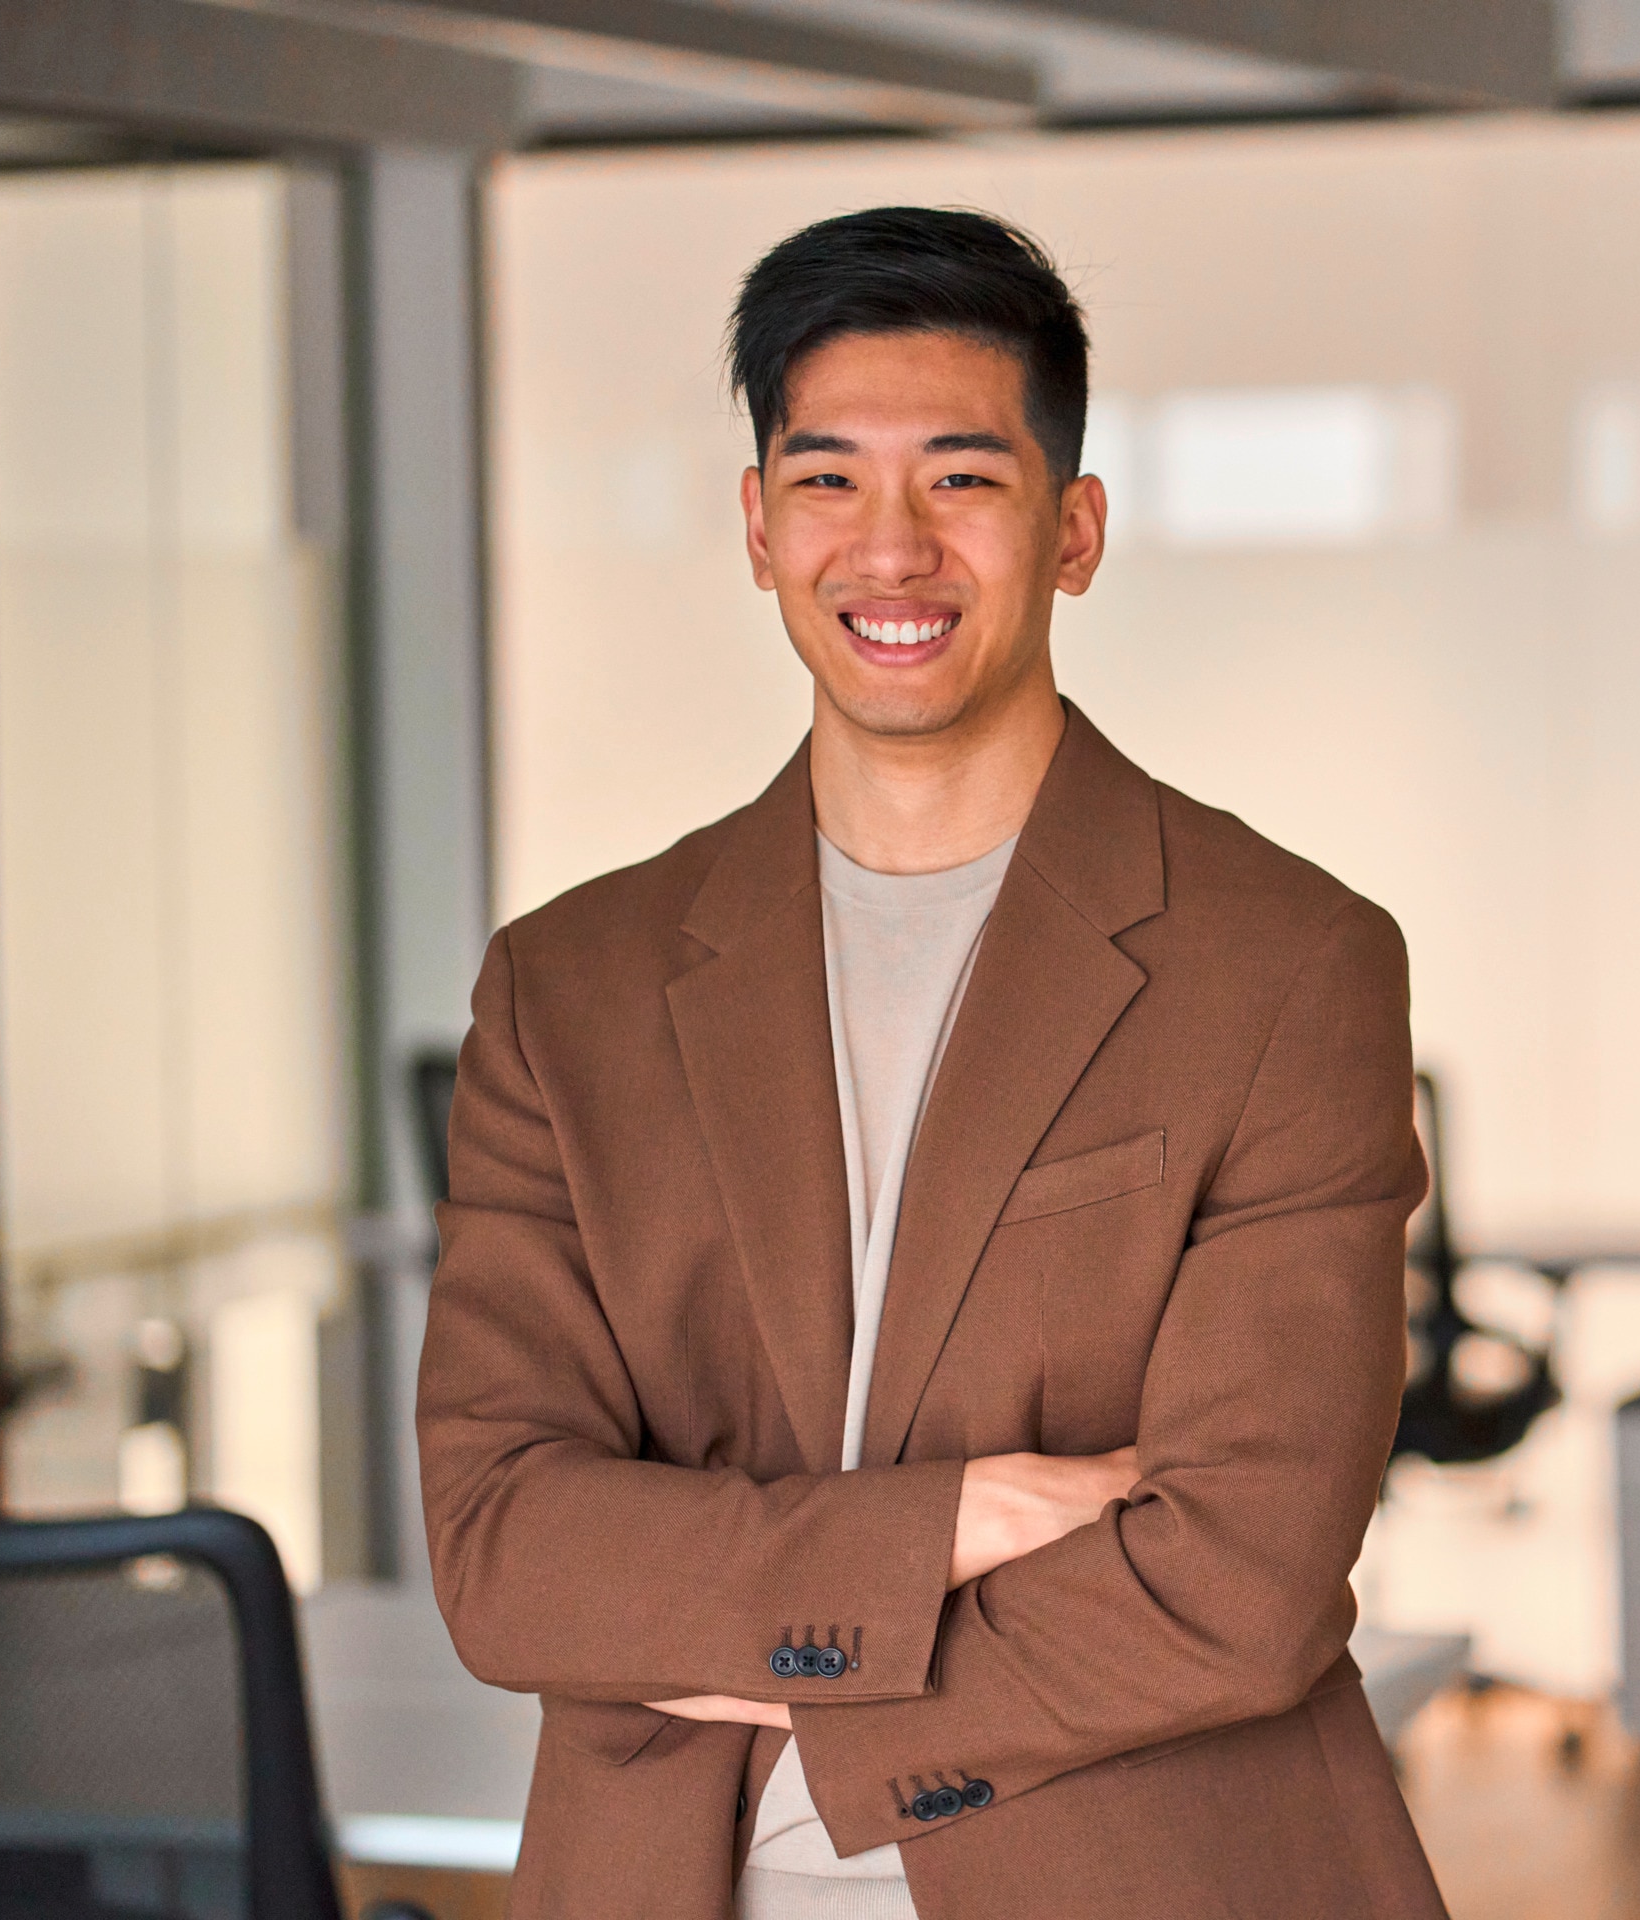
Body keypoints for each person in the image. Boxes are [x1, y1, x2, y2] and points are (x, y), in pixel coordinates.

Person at [416, 207, 1445, 1920]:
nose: (889, 552)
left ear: (1075, 530)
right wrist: (951, 1520)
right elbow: (505, 1556)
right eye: (826, 482)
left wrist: (746, 1643)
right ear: (756, 527)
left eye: (961, 480)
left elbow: (1243, 1580)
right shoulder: (565, 991)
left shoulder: (1288, 967)